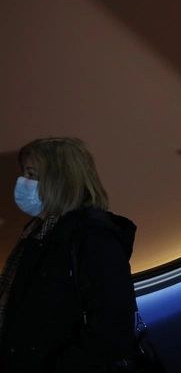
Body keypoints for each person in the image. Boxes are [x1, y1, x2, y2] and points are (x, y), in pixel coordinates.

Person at [0, 138, 139, 372]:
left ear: (60, 179)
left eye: (31, 174)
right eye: (23, 173)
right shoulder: (36, 231)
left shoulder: (93, 237)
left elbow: (111, 327)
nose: (22, 182)